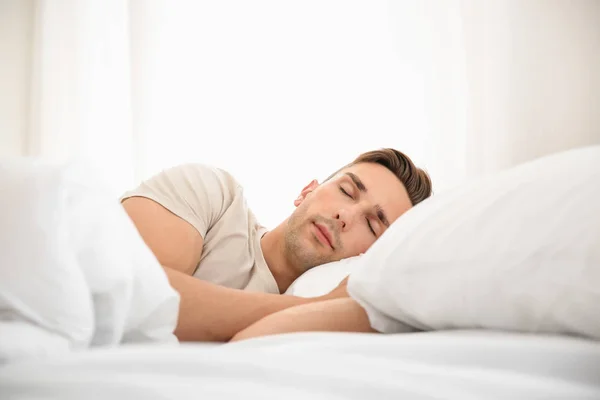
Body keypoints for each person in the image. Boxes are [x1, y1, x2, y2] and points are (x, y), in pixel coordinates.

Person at [121, 148, 432, 342]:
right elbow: (136, 298)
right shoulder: (214, 194)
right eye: (347, 191)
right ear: (307, 191)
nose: (344, 215)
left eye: (372, 224)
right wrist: (315, 310)